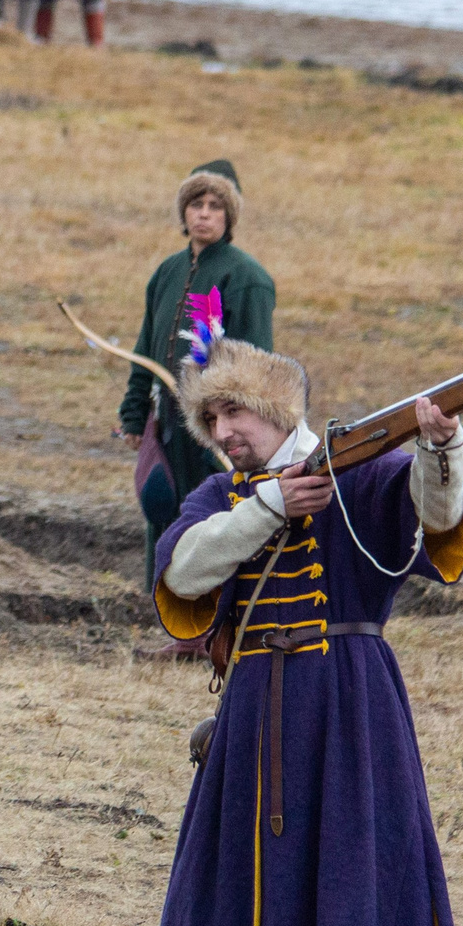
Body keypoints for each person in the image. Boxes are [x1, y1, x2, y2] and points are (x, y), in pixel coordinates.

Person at [81, 336, 463, 926]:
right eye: (212, 415)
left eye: (237, 411)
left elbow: (438, 519)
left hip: (353, 702)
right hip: (256, 705)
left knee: (376, 890)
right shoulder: (221, 496)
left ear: (278, 409)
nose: (224, 429)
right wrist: (265, 508)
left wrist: (442, 447)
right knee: (214, 884)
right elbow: (183, 575)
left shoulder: (363, 474)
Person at [116, 162, 275, 640]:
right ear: (183, 213)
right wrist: (133, 409)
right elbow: (146, 347)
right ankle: (172, 624)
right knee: (163, 508)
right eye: (196, 205)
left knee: (213, 520)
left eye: (215, 206)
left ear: (230, 217)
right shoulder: (167, 271)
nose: (204, 215)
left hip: (215, 426)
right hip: (168, 419)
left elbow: (254, 364)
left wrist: (234, 426)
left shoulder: (247, 278)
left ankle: (215, 630)